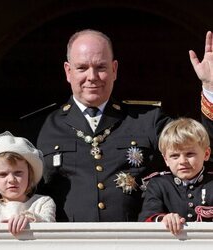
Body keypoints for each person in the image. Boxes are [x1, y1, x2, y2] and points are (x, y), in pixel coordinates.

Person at [36, 29, 213, 222]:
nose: (92, 76)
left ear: (114, 70)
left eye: (101, 67)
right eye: (82, 68)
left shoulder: (147, 120)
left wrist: (210, 87)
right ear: (68, 72)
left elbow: (203, 147)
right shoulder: (42, 125)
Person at [0, 131, 56, 235]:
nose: (11, 179)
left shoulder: (43, 203)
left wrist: (29, 219)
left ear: (29, 175)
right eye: (2, 174)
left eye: (18, 173)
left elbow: (49, 223)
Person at [138, 118, 213, 235]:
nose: (182, 161)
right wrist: (163, 219)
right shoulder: (158, 184)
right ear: (165, 159)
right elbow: (147, 218)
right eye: (175, 156)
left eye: (190, 154)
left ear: (206, 154)